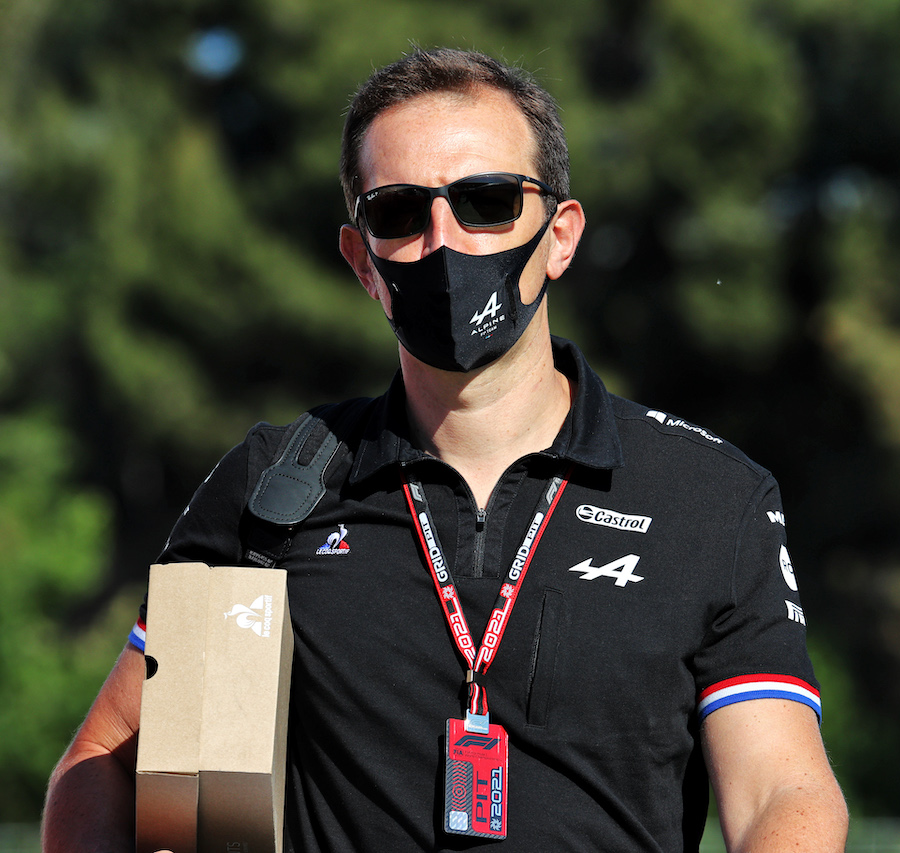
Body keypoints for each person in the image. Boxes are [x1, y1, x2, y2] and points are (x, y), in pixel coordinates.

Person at [42, 47, 848, 852]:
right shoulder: (273, 488)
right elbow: (105, 759)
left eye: (487, 201)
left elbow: (784, 790)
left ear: (561, 237)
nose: (443, 241)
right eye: (398, 213)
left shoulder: (707, 497)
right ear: (362, 262)